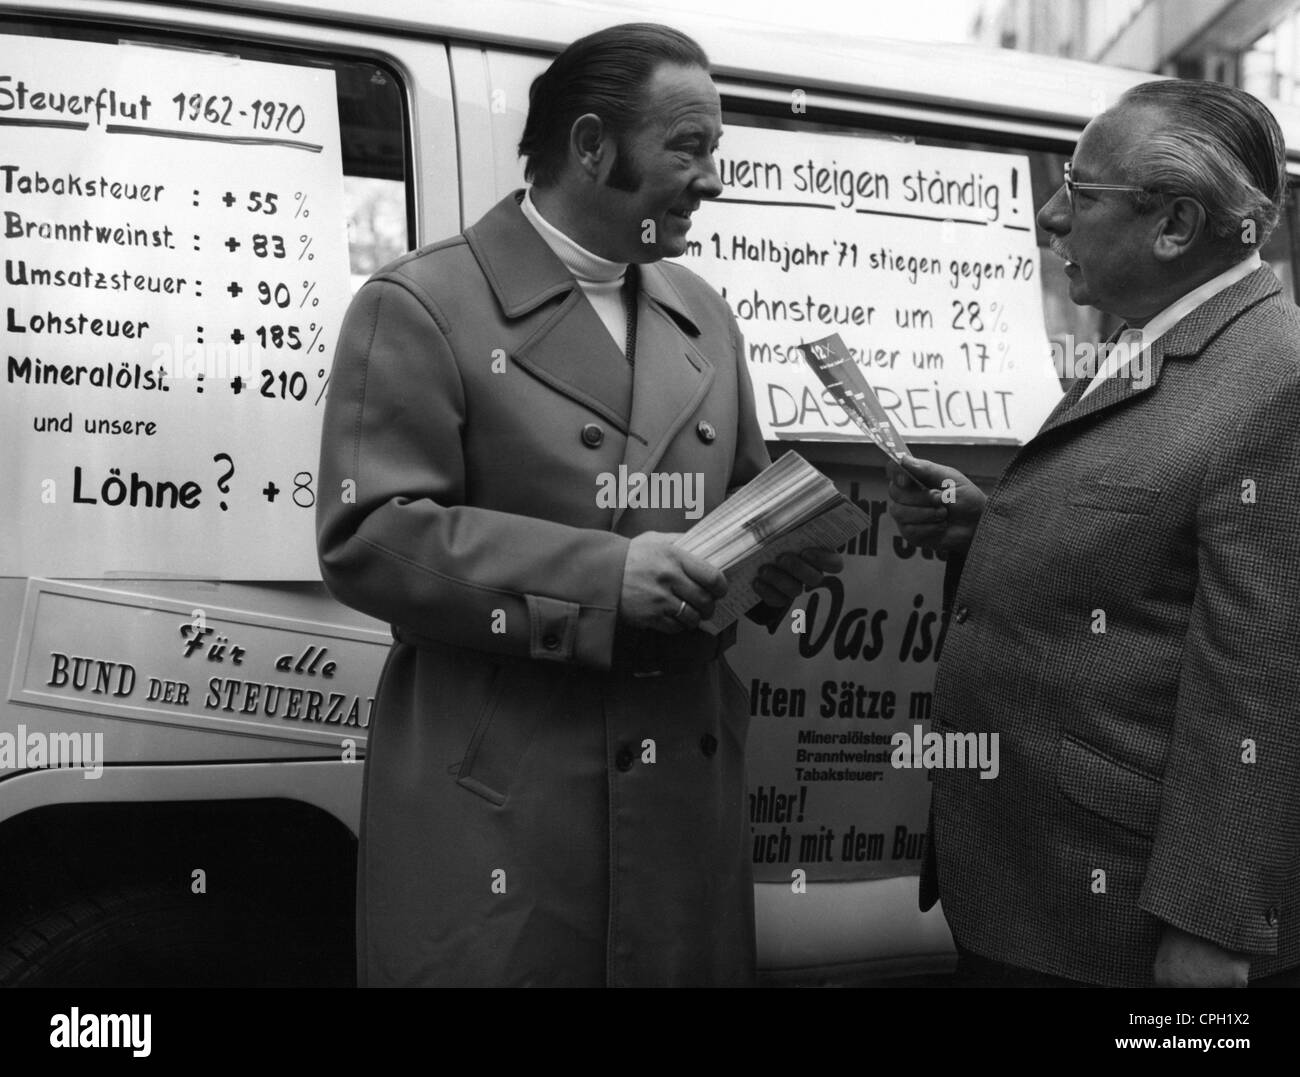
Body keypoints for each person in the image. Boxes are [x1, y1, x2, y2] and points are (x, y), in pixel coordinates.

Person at [316, 23, 841, 987]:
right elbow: (369, 536)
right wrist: (605, 579)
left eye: (714, 149)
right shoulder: (421, 303)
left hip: (684, 786)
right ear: (591, 145)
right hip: (509, 792)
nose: (712, 178)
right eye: (689, 147)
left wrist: (780, 553)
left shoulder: (702, 311)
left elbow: (740, 501)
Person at [887, 79, 1300, 988]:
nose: (1049, 215)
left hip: (1117, 929)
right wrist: (982, 524)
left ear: (1175, 225)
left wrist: (1212, 926)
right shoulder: (1153, 335)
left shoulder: (1277, 381)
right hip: (1031, 887)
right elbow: (1145, 547)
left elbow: (1265, 685)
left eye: (1080, 190)